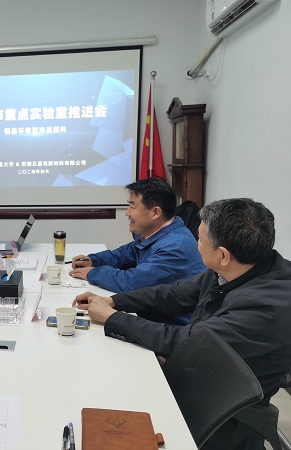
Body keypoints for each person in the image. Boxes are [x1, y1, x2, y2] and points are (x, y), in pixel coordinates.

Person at [72, 198, 291, 449]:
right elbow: (176, 294)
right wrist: (114, 301)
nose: (195, 245)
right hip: (200, 373)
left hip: (220, 410)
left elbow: (190, 343)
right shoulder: (240, 266)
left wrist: (112, 318)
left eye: (199, 239)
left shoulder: (265, 306)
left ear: (222, 255)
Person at [69, 177, 205, 293]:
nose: (127, 213)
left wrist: (92, 273)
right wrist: (94, 260)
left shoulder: (174, 248)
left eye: (132, 207)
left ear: (155, 213)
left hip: (173, 315)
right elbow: (125, 254)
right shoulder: (156, 233)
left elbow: (131, 282)